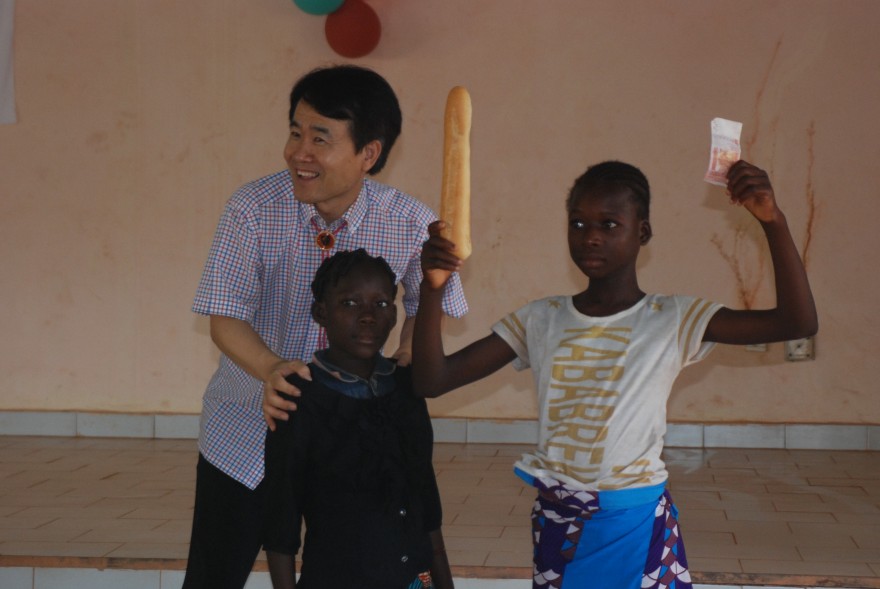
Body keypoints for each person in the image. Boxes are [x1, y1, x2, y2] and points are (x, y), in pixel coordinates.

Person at [412, 160, 817, 589]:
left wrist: (773, 221)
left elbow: (797, 323)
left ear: (642, 232)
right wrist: (432, 288)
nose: (591, 236)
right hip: (560, 520)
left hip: (634, 518)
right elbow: (432, 381)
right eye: (578, 223)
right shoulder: (541, 319)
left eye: (609, 224)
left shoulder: (673, 318)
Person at [185, 64, 467, 589]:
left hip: (354, 449)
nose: (299, 152)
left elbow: (427, 312)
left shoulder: (409, 221)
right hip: (249, 431)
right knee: (212, 577)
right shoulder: (251, 210)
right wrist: (273, 369)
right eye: (295, 132)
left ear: (369, 154)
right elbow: (225, 318)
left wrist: (404, 361)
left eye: (321, 138)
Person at [263, 249, 453, 589]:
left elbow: (427, 503)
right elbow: (281, 522)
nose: (367, 316)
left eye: (380, 304)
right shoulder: (298, 397)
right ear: (321, 312)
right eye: (350, 303)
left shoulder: (406, 388)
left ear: (395, 316)